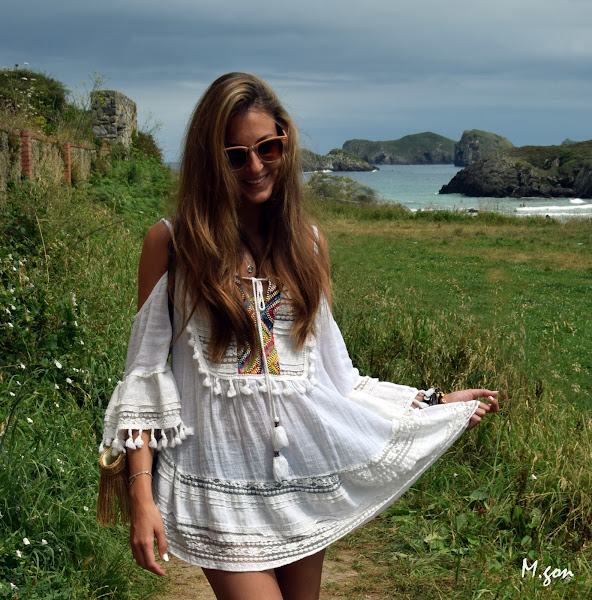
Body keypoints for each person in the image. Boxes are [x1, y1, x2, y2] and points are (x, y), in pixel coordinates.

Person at [101, 72, 499, 600]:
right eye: (235, 155)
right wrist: (141, 493)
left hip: (301, 480)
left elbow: (336, 378)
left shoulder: (308, 245)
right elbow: (145, 377)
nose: (255, 166)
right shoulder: (172, 244)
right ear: (209, 160)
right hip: (219, 488)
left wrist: (433, 403)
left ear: (285, 145)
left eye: (267, 148)